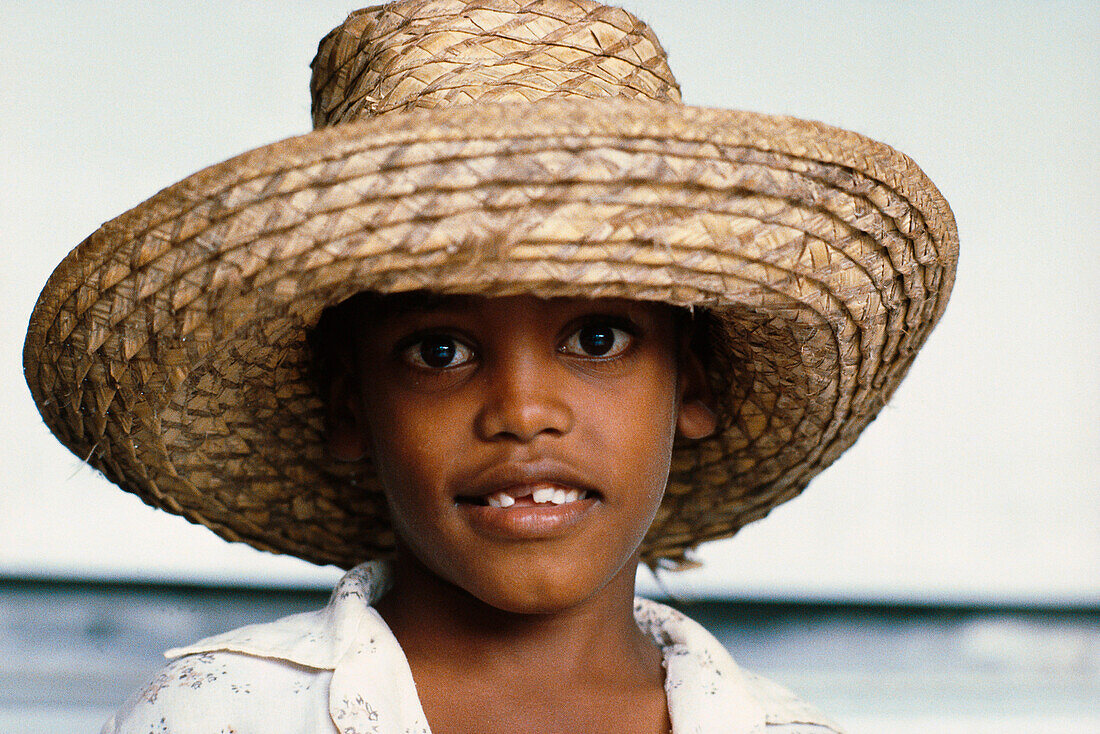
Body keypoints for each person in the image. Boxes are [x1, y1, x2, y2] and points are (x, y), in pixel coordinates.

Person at [22, 1, 957, 732]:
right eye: (441, 351)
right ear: (351, 404)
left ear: (696, 382)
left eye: (598, 338)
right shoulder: (215, 714)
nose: (522, 409)